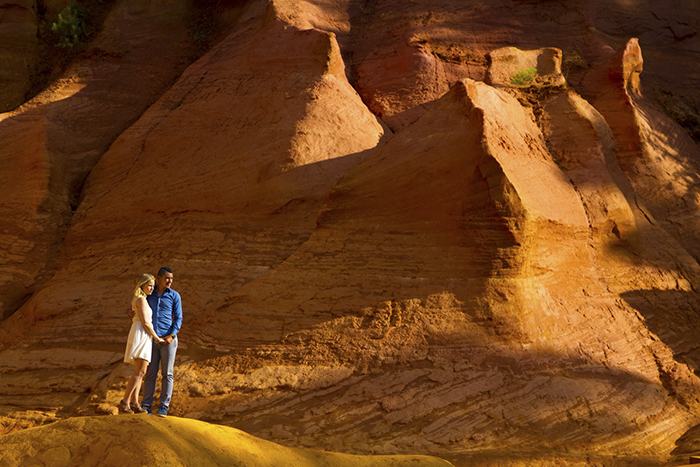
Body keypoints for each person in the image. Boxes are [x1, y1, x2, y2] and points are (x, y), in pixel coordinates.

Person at [133, 266, 183, 417]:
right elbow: (136, 306)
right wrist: (130, 312)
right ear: (159, 278)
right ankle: (146, 406)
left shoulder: (174, 296)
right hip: (151, 339)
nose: (170, 281)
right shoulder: (149, 294)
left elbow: (179, 318)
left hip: (168, 340)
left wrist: (172, 336)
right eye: (167, 278)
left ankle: (163, 407)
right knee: (150, 374)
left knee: (167, 374)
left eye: (172, 278)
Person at [120, 274, 164, 414]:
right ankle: (125, 401)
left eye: (153, 285)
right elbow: (146, 322)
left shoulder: (139, 299)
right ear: (142, 285)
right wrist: (157, 337)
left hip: (141, 332)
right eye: (149, 285)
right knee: (140, 372)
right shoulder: (141, 300)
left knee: (141, 371)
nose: (152, 288)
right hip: (142, 333)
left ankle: (134, 403)